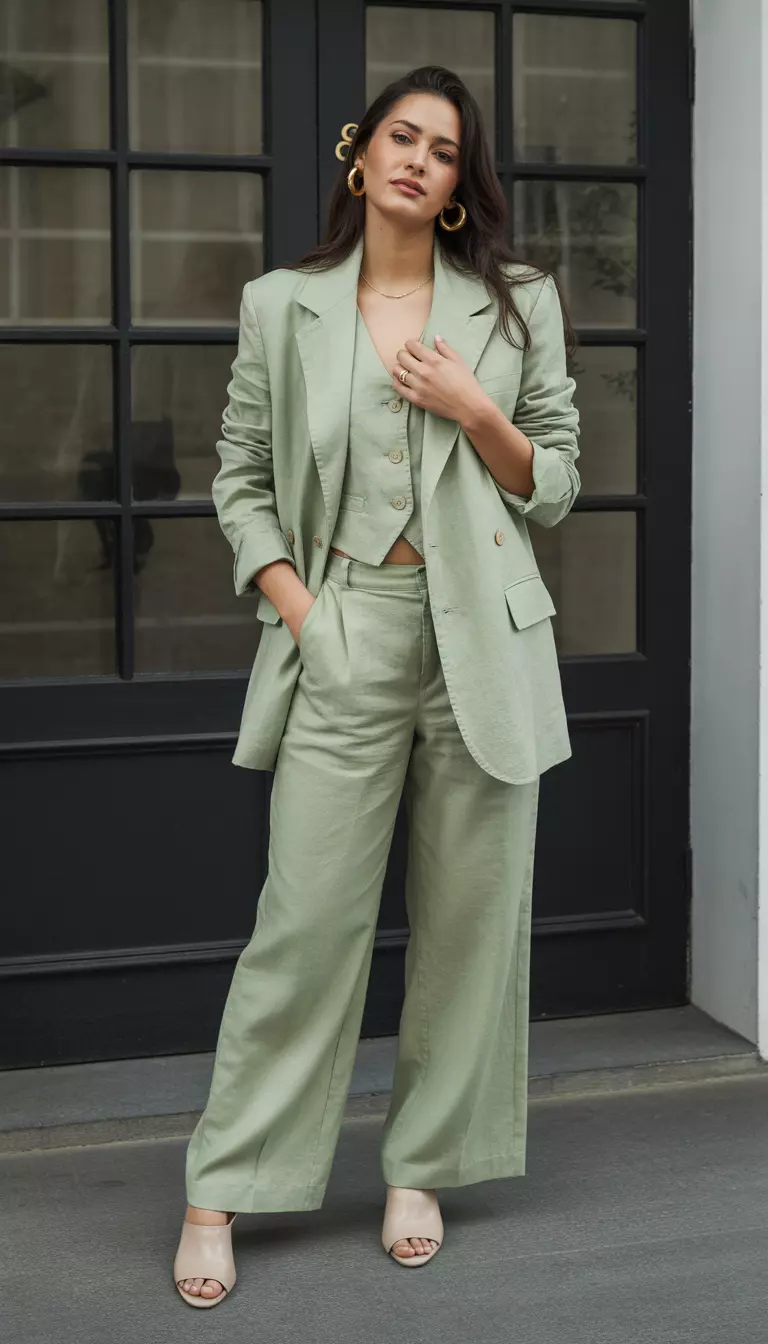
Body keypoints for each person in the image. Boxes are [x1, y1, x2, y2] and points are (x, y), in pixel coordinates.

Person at [173, 63, 580, 1308]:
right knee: (303, 929)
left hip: (486, 647)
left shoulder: (514, 308)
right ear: (362, 157)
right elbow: (238, 478)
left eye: (445, 150)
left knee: (469, 930)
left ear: (461, 186)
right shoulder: (280, 305)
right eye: (401, 137)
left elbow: (553, 477)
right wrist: (302, 609)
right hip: (344, 629)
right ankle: (220, 1186)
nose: (419, 159)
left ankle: (423, 1169)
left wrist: (473, 406)